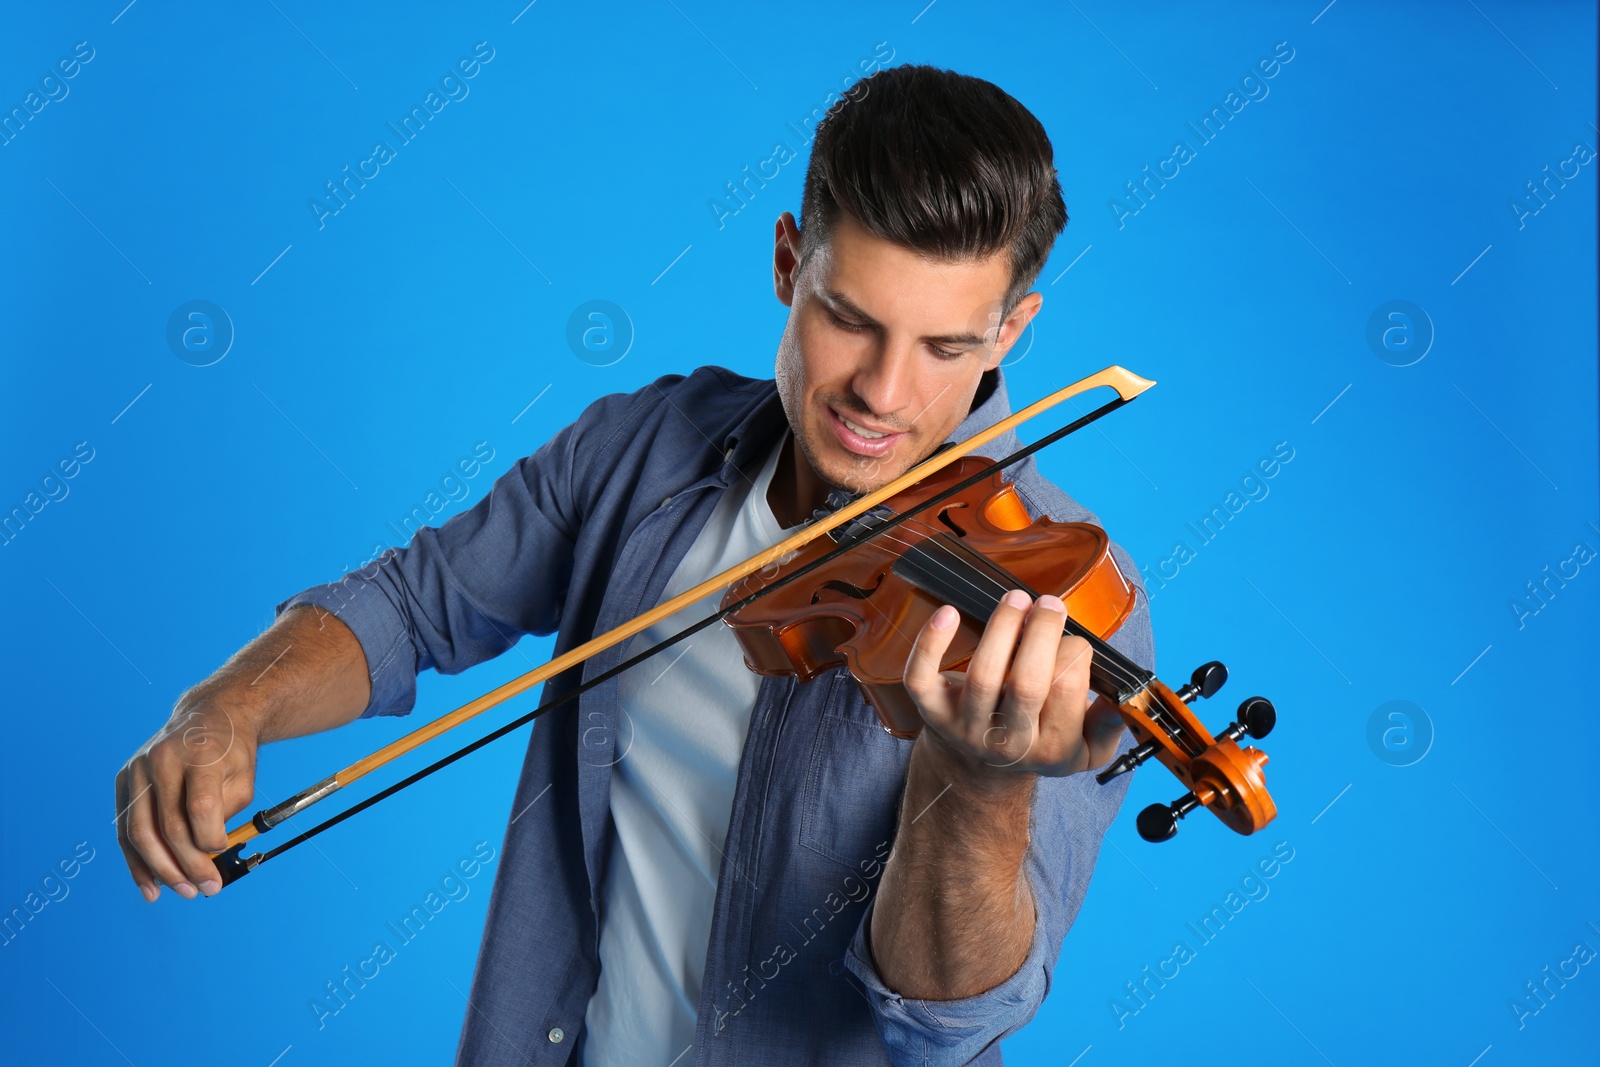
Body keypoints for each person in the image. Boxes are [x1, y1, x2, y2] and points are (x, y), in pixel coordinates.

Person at [114, 63, 1155, 1066]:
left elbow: (949, 1022)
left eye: (942, 347)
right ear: (789, 262)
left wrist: (976, 782)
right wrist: (227, 705)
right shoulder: (640, 447)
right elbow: (410, 604)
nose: (882, 391)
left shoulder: (1057, 601)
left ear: (1011, 329)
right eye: (848, 318)